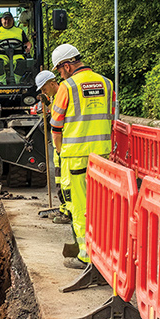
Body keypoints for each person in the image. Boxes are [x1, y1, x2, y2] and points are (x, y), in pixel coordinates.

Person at [48, 43, 114, 268]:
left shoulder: (67, 87)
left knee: (81, 209)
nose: (59, 74)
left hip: (76, 158)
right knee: (102, 207)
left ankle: (86, 256)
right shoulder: (107, 83)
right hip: (103, 156)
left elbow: (56, 127)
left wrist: (59, 151)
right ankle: (105, 252)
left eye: (59, 69)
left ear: (67, 66)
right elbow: (111, 118)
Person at [32, 70, 72, 226]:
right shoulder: (56, 96)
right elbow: (55, 110)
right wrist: (47, 103)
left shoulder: (63, 92)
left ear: (52, 83)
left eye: (44, 89)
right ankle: (63, 209)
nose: (44, 92)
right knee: (60, 182)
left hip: (62, 144)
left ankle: (67, 212)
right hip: (59, 145)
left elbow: (58, 117)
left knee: (65, 183)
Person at [0, 12, 30, 85]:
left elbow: (27, 43)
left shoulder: (19, 31)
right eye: (5, 19)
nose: (7, 21)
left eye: (9, 19)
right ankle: (1, 83)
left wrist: (28, 47)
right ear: (1, 20)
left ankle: (16, 82)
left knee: (21, 62)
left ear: (12, 20)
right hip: (1, 55)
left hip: (17, 55)